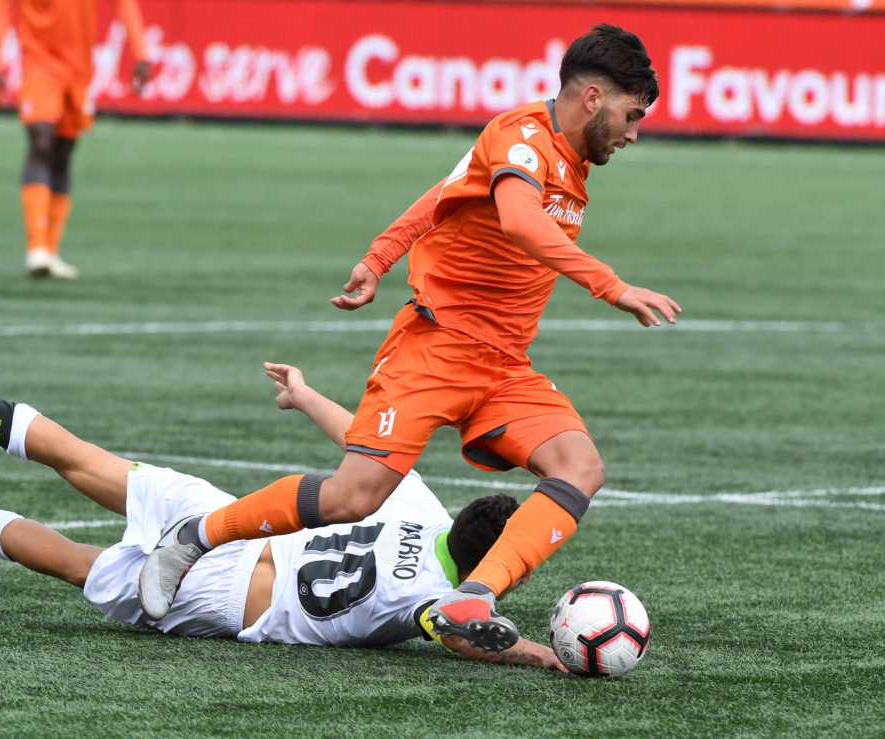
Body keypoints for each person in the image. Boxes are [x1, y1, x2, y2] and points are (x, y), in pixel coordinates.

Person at [139, 23, 681, 652]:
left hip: (504, 366)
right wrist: (610, 286)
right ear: (592, 97)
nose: (634, 132)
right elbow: (521, 220)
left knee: (580, 467)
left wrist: (379, 256)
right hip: (436, 348)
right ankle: (195, 536)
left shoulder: (568, 158)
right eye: (631, 114)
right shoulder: (520, 139)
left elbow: (442, 197)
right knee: (352, 498)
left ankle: (474, 595)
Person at [0, 358, 565, 669]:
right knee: (79, 563)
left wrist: (305, 396)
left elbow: (360, 440)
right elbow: (457, 629)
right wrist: (543, 656)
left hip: (232, 524)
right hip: (230, 597)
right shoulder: (438, 596)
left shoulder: (419, 503)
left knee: (87, 461)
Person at [0, 0, 151, 279]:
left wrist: (141, 53)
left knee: (62, 154)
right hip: (39, 65)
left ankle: (50, 251)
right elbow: (1, 8)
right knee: (41, 142)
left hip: (79, 71)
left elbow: (123, 4)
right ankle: (37, 249)